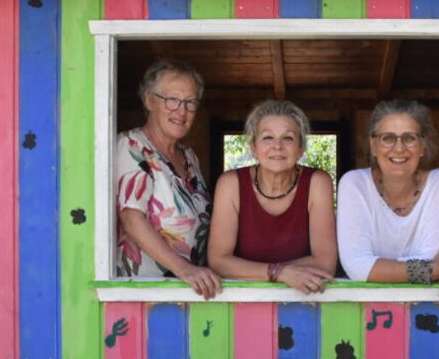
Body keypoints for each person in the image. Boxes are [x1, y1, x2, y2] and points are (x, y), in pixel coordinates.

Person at [116, 59, 221, 299]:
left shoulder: (188, 156)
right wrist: (184, 269)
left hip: (192, 289)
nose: (181, 110)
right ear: (149, 100)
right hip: (148, 292)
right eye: (172, 99)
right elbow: (131, 218)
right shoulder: (131, 146)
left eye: (190, 102)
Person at [208, 100, 337, 294]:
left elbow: (325, 263)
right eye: (268, 137)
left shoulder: (317, 183)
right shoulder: (231, 184)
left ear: (301, 148)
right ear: (253, 147)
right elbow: (218, 262)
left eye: (288, 138)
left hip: (302, 299)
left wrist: (253, 271)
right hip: (242, 299)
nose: (278, 146)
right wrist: (279, 273)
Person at [336, 99, 439, 283]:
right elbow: (358, 268)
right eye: (388, 138)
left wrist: (378, 267)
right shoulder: (354, 184)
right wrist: (432, 270)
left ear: (423, 146)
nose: (399, 148)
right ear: (374, 146)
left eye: (409, 138)